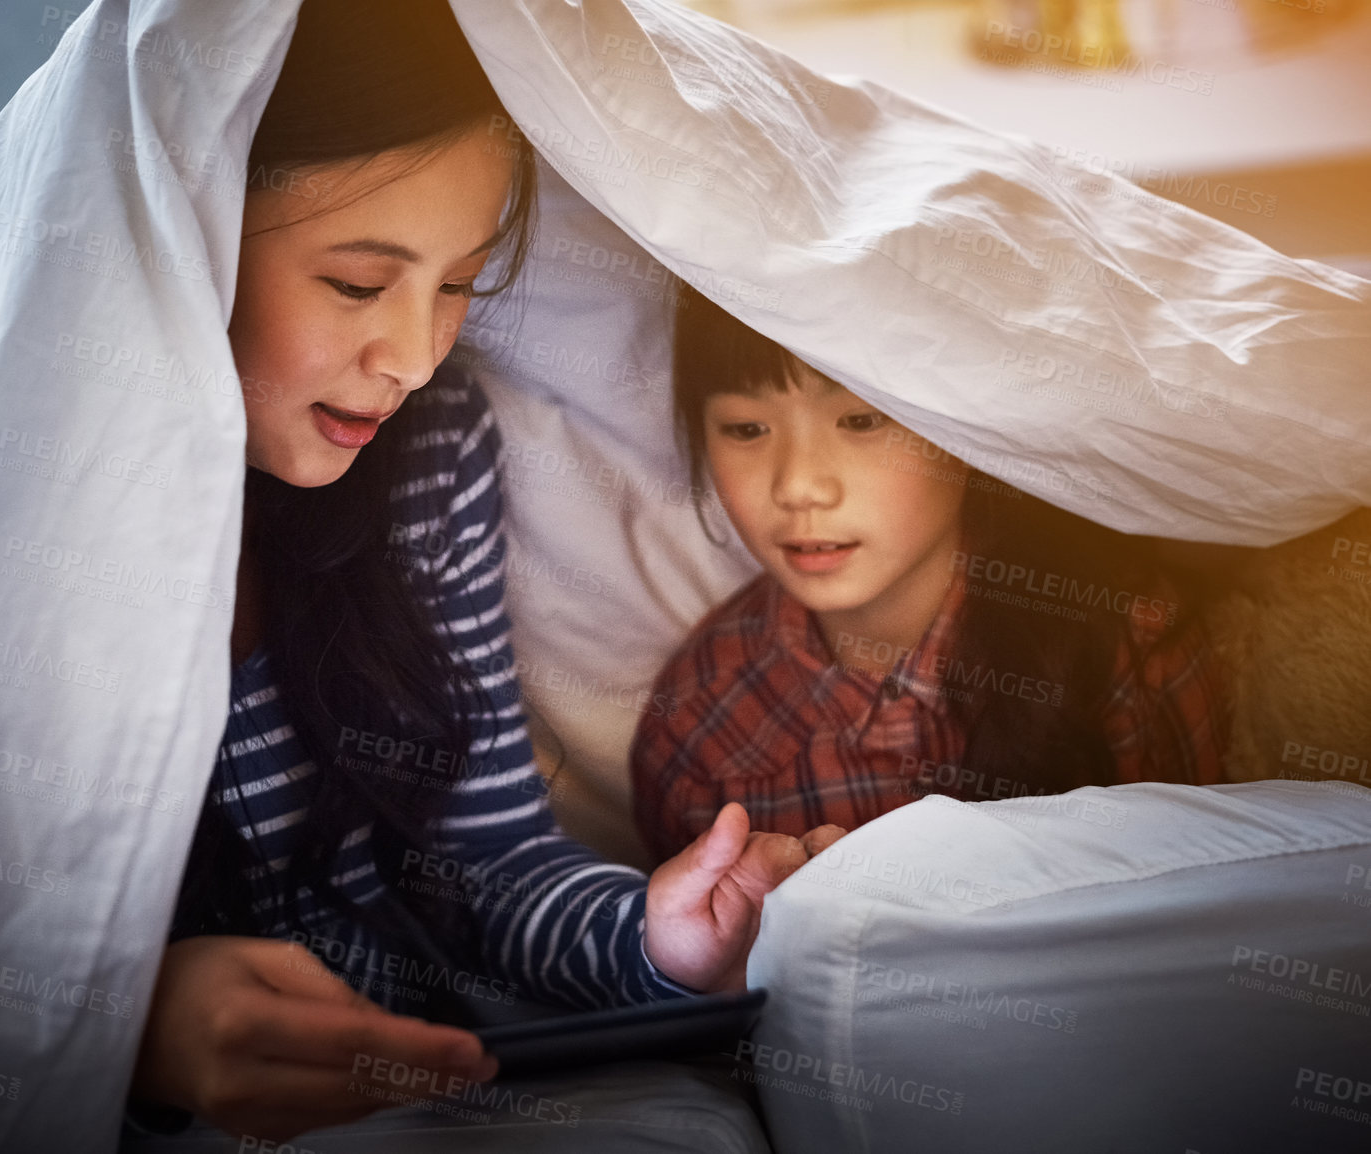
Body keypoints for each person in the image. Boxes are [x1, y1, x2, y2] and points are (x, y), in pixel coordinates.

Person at [124, 4, 842, 1146]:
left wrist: (652, 938)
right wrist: (135, 1026)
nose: (412, 356)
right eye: (359, 285)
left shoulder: (425, 453)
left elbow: (482, 866)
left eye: (456, 285)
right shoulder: (21, 524)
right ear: (190, 229)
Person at [629, 282, 1233, 863]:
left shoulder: (1127, 639)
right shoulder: (696, 729)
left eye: (862, 421)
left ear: (961, 425)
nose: (798, 487)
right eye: (746, 429)